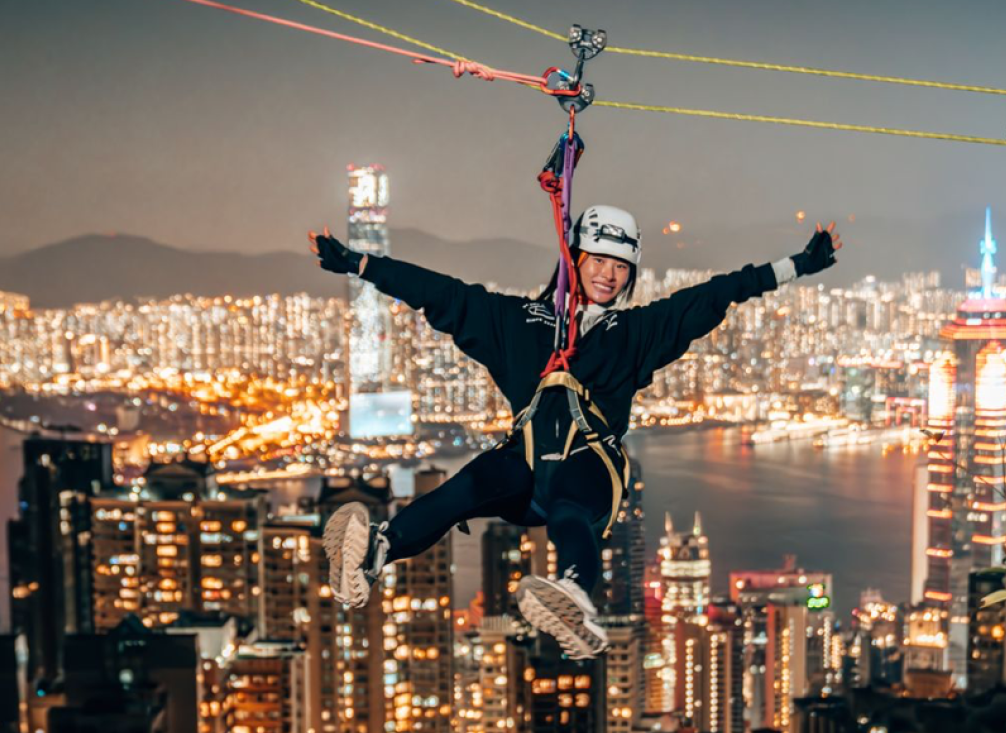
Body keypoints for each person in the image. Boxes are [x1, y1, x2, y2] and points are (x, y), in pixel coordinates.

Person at [309, 207, 841, 659]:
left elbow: (719, 293)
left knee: (567, 506)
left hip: (592, 467)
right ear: (574, 261)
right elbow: (439, 294)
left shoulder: (634, 333)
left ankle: (573, 597)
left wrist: (801, 263)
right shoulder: (517, 322)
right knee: (463, 489)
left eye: (620, 267)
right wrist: (358, 264)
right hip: (525, 465)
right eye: (599, 262)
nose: (609, 276)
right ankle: (379, 550)